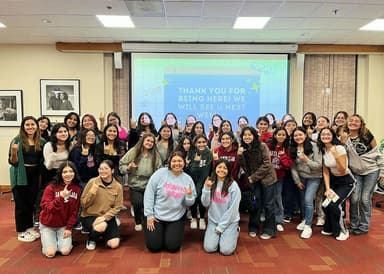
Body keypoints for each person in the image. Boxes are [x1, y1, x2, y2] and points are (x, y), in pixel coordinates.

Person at [143, 151, 197, 252]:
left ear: (184, 163)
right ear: (169, 162)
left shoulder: (188, 179)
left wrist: (189, 195)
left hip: (176, 217)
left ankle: (168, 234)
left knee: (172, 247)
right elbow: (149, 194)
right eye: (174, 161)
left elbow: (189, 204)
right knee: (153, 247)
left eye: (180, 161)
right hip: (157, 216)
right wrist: (149, 215)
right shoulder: (160, 174)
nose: (177, 163)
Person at [8, 116, 45, 242]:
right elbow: (13, 162)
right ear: (23, 127)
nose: (30, 127)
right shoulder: (17, 140)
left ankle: (29, 228)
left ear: (36, 126)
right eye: (27, 125)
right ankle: (21, 231)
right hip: (20, 175)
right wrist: (14, 152)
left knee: (31, 202)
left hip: (35, 175)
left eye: (32, 124)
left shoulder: (42, 141)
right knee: (21, 203)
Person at [346, 114, 384, 235]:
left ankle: (363, 226)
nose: (353, 122)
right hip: (356, 172)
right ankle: (353, 224)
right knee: (354, 198)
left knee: (364, 199)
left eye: (356, 121)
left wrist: (382, 171)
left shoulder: (367, 136)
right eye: (351, 120)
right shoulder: (344, 137)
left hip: (371, 171)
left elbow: (377, 153)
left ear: (361, 124)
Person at [238, 126, 277, 240]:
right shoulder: (243, 148)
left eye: (250, 135)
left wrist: (253, 177)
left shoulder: (262, 146)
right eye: (245, 135)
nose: (247, 137)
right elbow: (243, 166)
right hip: (254, 181)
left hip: (267, 179)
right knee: (255, 204)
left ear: (254, 136)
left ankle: (269, 229)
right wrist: (239, 155)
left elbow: (267, 164)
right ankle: (254, 227)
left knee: (269, 205)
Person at [317, 127, 356, 240]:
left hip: (346, 181)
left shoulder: (339, 148)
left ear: (333, 136)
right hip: (334, 181)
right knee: (326, 204)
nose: (325, 136)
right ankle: (329, 228)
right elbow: (325, 171)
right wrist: (328, 189)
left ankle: (343, 230)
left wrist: (335, 154)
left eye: (328, 134)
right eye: (323, 134)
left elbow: (343, 169)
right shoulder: (323, 150)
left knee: (334, 205)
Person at [119, 133, 162, 231]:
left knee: (148, 204)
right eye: (148, 141)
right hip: (135, 184)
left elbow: (159, 169)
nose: (149, 143)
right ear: (142, 141)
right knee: (138, 203)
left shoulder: (155, 154)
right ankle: (138, 221)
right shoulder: (134, 151)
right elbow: (122, 165)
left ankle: (147, 220)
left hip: (150, 185)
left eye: (152, 141)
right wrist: (128, 167)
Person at [39, 161, 82, 257]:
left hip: (63, 225)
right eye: (65, 172)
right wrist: (60, 197)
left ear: (74, 173)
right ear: (60, 174)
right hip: (48, 224)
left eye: (71, 171)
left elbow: (74, 212)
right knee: (50, 253)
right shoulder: (51, 187)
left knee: (65, 251)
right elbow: (47, 208)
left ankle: (58, 241)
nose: (68, 174)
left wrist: (69, 228)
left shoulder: (77, 189)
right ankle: (49, 241)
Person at [80, 160, 123, 251]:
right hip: (90, 215)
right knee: (101, 226)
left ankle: (101, 234)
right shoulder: (92, 182)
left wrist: (104, 217)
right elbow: (83, 204)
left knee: (114, 244)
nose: (103, 171)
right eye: (100, 169)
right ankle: (91, 239)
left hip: (107, 216)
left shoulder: (118, 186)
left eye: (106, 169)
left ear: (112, 171)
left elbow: (117, 207)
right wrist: (92, 192)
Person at [201, 159, 241, 256]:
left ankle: (235, 230)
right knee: (209, 248)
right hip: (213, 220)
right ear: (215, 169)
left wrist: (221, 227)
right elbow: (205, 203)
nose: (222, 170)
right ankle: (220, 236)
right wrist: (206, 188)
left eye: (225, 168)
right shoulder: (210, 182)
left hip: (229, 221)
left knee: (226, 251)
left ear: (228, 171)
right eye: (219, 167)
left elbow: (233, 210)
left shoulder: (233, 186)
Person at [290, 127, 322, 239]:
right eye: (295, 136)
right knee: (303, 201)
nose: (298, 137)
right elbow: (293, 167)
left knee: (308, 200)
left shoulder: (314, 146)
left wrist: (306, 160)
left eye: (300, 135)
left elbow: (319, 166)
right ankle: (304, 219)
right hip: (301, 178)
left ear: (305, 135)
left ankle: (308, 226)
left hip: (314, 177)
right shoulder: (293, 148)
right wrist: (297, 181)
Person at [268, 127, 292, 232]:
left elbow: (288, 165)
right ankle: (266, 218)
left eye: (283, 135)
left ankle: (278, 220)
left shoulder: (287, 148)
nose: (281, 136)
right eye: (279, 134)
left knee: (277, 198)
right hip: (267, 177)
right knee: (267, 198)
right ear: (274, 135)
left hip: (279, 178)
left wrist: (282, 156)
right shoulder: (269, 146)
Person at [187, 134, 213, 230]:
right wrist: (196, 162)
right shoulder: (191, 153)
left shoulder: (209, 153)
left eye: (203, 142)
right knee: (194, 199)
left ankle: (202, 218)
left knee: (202, 199)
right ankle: (194, 218)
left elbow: (211, 168)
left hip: (204, 180)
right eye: (199, 142)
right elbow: (190, 170)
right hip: (193, 180)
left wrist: (209, 179)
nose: (201, 144)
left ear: (206, 142)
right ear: (195, 143)